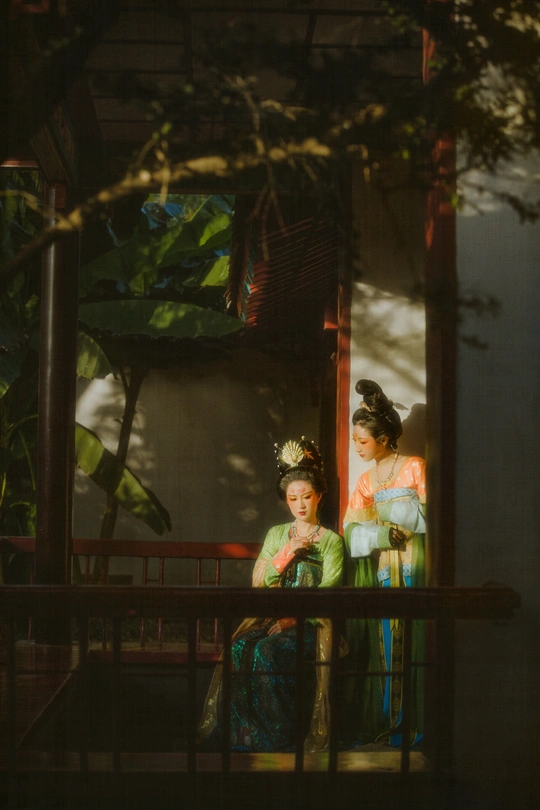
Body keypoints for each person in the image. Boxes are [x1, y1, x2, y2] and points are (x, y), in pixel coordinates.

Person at [198, 437, 345, 753]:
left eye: (307, 496)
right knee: (240, 646)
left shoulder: (331, 541)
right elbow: (262, 581)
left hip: (311, 624)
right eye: (293, 498)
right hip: (271, 618)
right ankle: (243, 733)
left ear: (319, 496)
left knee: (267, 651)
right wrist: (286, 552)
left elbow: (329, 590)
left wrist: (294, 619)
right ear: (286, 501)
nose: (300, 504)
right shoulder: (277, 535)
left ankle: (277, 736)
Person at [342, 379, 426, 748]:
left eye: (362, 441)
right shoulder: (365, 481)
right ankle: (390, 723)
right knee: (387, 647)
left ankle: (416, 726)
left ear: (384, 438)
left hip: (416, 568)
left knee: (417, 643)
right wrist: (379, 536)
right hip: (383, 572)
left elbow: (432, 517)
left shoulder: (416, 467)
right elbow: (350, 530)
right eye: (354, 440)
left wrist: (392, 512)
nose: (357, 447)